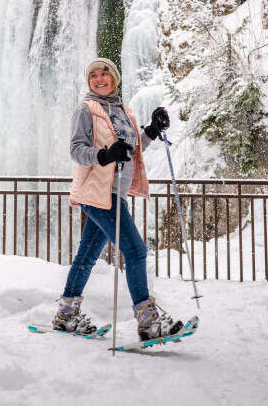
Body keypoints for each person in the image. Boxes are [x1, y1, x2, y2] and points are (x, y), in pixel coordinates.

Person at [53, 57, 184, 340]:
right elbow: (77, 150)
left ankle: (66, 313)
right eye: (93, 76)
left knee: (86, 256)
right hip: (98, 193)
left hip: (114, 193)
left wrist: (150, 130)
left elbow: (132, 150)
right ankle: (148, 322)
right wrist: (104, 155)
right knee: (136, 251)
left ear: (114, 78)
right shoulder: (86, 110)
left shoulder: (123, 110)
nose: (99, 79)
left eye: (104, 74)